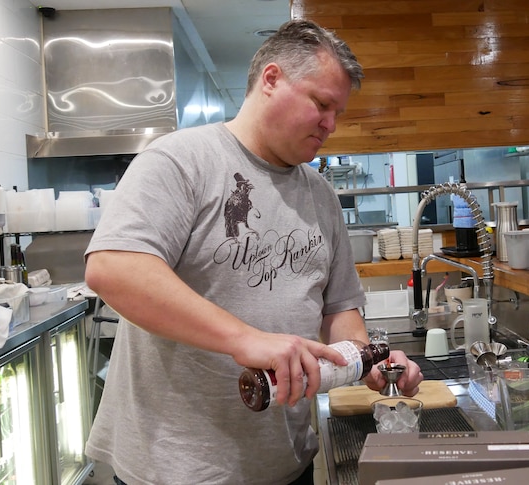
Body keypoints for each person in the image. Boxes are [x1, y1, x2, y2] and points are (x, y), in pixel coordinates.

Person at [83, 20, 423, 484]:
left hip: (286, 464)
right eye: (321, 104)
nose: (331, 124)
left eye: (337, 111)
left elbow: (339, 311)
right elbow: (113, 267)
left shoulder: (320, 195)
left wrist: (369, 362)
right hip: (176, 468)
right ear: (271, 79)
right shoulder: (181, 160)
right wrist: (246, 339)